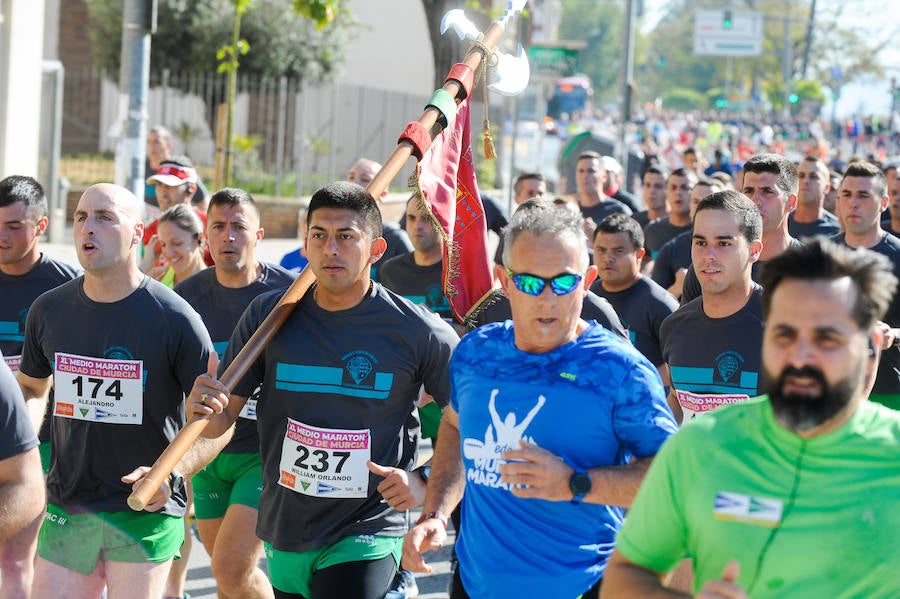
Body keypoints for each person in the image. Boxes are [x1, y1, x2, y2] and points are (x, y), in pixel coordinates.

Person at [186, 181, 459, 599]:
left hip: (366, 527)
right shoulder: (269, 317)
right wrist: (203, 410)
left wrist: (425, 487)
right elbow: (224, 418)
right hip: (287, 524)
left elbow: (467, 424)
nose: (331, 249)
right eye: (320, 236)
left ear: (377, 250)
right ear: (306, 242)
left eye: (347, 237)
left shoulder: (418, 331)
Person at [402, 198, 676, 598]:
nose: (547, 298)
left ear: (587, 280)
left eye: (564, 282)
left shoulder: (620, 371)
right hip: (475, 585)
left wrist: (575, 482)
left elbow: (671, 478)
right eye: (530, 282)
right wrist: (436, 513)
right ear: (505, 281)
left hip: (581, 585)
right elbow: (455, 425)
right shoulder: (476, 352)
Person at [602, 238, 900, 598]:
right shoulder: (702, 445)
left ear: (866, 346)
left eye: (827, 339)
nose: (801, 357)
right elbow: (625, 576)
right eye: (784, 334)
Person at [16, 183, 220, 599]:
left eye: (105, 218)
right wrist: (21, 453)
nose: (88, 227)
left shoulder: (176, 318)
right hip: (68, 506)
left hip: (143, 509)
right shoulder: (49, 310)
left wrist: (171, 474)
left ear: (138, 234)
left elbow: (216, 423)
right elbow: (34, 389)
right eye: (80, 217)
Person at [175, 188, 296, 599]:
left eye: (239, 227)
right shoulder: (186, 298)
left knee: (230, 567)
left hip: (264, 454)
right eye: (219, 227)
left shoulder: (292, 295)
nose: (228, 237)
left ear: (258, 235)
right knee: (227, 575)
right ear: (205, 235)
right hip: (207, 451)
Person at [0, 174, 79, 598]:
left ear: (40, 226)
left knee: (18, 558)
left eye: (13, 225)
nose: (1, 235)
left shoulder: (67, 285)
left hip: (42, 442)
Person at [660, 190, 764, 423]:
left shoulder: (784, 327)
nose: (708, 255)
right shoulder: (674, 327)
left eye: (724, 243)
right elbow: (679, 400)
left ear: (754, 251)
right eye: (700, 242)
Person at [680, 152, 800, 304]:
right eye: (749, 191)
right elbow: (686, 322)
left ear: (791, 202)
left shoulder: (810, 268)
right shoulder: (712, 266)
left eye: (767, 191)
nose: (755, 200)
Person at [831, 161, 900, 408]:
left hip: (889, 390)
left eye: (863, 195)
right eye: (846, 195)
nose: (853, 202)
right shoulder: (822, 255)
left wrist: (893, 334)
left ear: (883, 203)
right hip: (832, 388)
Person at [591, 214, 678, 389]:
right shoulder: (588, 296)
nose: (608, 258)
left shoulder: (660, 303)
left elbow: (682, 364)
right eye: (601, 250)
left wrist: (636, 381)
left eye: (618, 251)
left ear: (639, 254)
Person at [380, 196, 452, 320]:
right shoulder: (390, 271)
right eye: (411, 218)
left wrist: (434, 324)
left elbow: (482, 330)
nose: (417, 226)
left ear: (444, 220)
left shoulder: (462, 274)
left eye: (426, 218)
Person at [650, 177, 721, 298]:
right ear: (690, 206)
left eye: (710, 202)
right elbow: (654, 308)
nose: (702, 207)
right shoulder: (670, 250)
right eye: (696, 201)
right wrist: (678, 288)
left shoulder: (739, 248)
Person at [346, 157, 414, 281]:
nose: (354, 183)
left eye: (365, 179)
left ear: (383, 194)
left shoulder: (397, 241)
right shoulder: (333, 234)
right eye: (351, 177)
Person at [142, 158, 213, 270]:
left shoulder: (212, 226)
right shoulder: (151, 231)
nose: (163, 193)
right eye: (159, 185)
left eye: (170, 186)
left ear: (192, 190)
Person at [644, 168, 697, 264]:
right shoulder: (651, 230)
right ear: (666, 192)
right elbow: (643, 265)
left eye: (685, 188)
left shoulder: (703, 232)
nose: (678, 193)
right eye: (673, 188)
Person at [574, 151, 631, 240]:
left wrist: (597, 238)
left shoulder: (619, 212)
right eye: (581, 171)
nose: (584, 176)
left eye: (591, 171)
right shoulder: (569, 210)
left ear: (604, 177)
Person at [147, 204, 207, 288]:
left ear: (199, 238)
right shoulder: (157, 281)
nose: (168, 253)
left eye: (177, 243)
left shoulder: (216, 287)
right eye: (163, 244)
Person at [788, 156, 841, 239]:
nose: (805, 181)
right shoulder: (779, 223)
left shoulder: (837, 231)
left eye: (813, 176)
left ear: (827, 187)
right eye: (801, 176)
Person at [632, 165, 668, 230]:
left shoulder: (677, 223)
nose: (651, 191)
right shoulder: (633, 222)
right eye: (647, 185)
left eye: (658, 186)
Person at [279, 207, 309, 273]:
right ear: (299, 225)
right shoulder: (288, 259)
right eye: (306, 221)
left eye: (313, 222)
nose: (308, 226)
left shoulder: (327, 262)